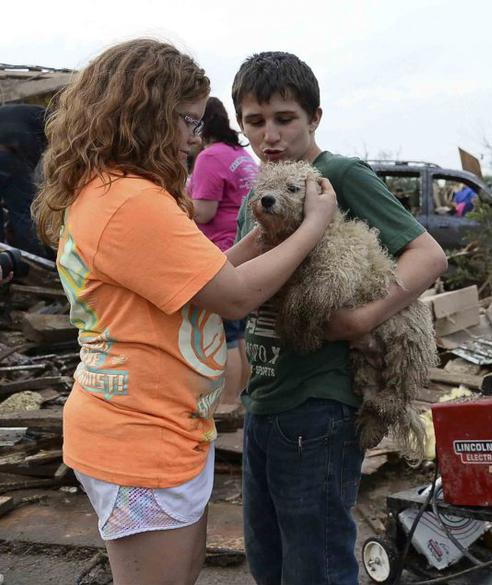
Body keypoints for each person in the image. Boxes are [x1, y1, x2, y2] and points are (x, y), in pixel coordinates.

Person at [30, 39, 337, 585]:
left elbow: (205, 275)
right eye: (189, 122)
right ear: (147, 114)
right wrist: (313, 225)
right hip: (140, 436)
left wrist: (263, 240)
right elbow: (235, 297)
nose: (195, 140)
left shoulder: (116, 192)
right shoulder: (131, 203)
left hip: (157, 425)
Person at [231, 51, 448, 585]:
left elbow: (427, 255)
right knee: (268, 560)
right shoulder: (259, 196)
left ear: (315, 118)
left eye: (285, 119)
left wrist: (362, 319)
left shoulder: (337, 177)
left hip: (319, 406)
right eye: (255, 122)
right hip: (266, 399)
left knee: (316, 563)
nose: (270, 135)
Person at [188, 96, 259, 406]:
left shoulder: (209, 157)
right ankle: (241, 397)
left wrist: (170, 203)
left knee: (227, 335)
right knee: (242, 334)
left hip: (222, 252)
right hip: (250, 249)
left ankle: (228, 402)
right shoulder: (240, 154)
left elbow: (203, 212)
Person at [0, 103, 48, 256]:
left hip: (9, 150)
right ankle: (35, 260)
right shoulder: (56, 121)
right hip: (8, 154)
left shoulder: (26, 113)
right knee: (23, 212)